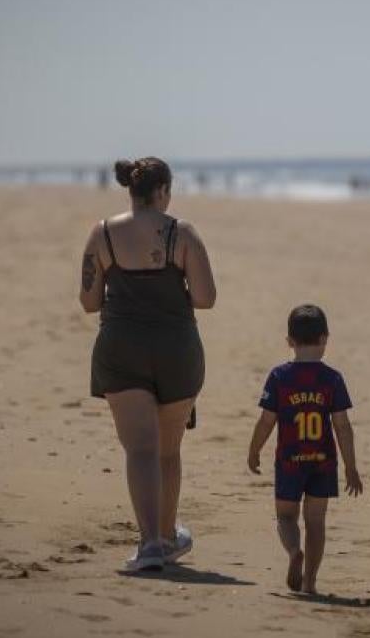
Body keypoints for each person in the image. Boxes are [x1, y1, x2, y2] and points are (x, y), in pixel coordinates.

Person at [79, 157, 217, 571]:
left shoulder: (102, 233)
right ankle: (168, 535)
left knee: (140, 449)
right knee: (168, 451)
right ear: (163, 192)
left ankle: (150, 544)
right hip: (176, 349)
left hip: (121, 347)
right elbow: (207, 297)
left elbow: (88, 302)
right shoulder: (182, 233)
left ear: (131, 193)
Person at [247, 305, 363, 594]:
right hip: (322, 462)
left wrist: (254, 449)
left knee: (286, 517)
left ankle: (293, 551)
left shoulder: (279, 377)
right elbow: (343, 427)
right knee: (316, 522)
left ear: (289, 341)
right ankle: (310, 583)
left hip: (290, 461)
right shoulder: (332, 379)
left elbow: (266, 421)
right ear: (325, 339)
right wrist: (351, 467)